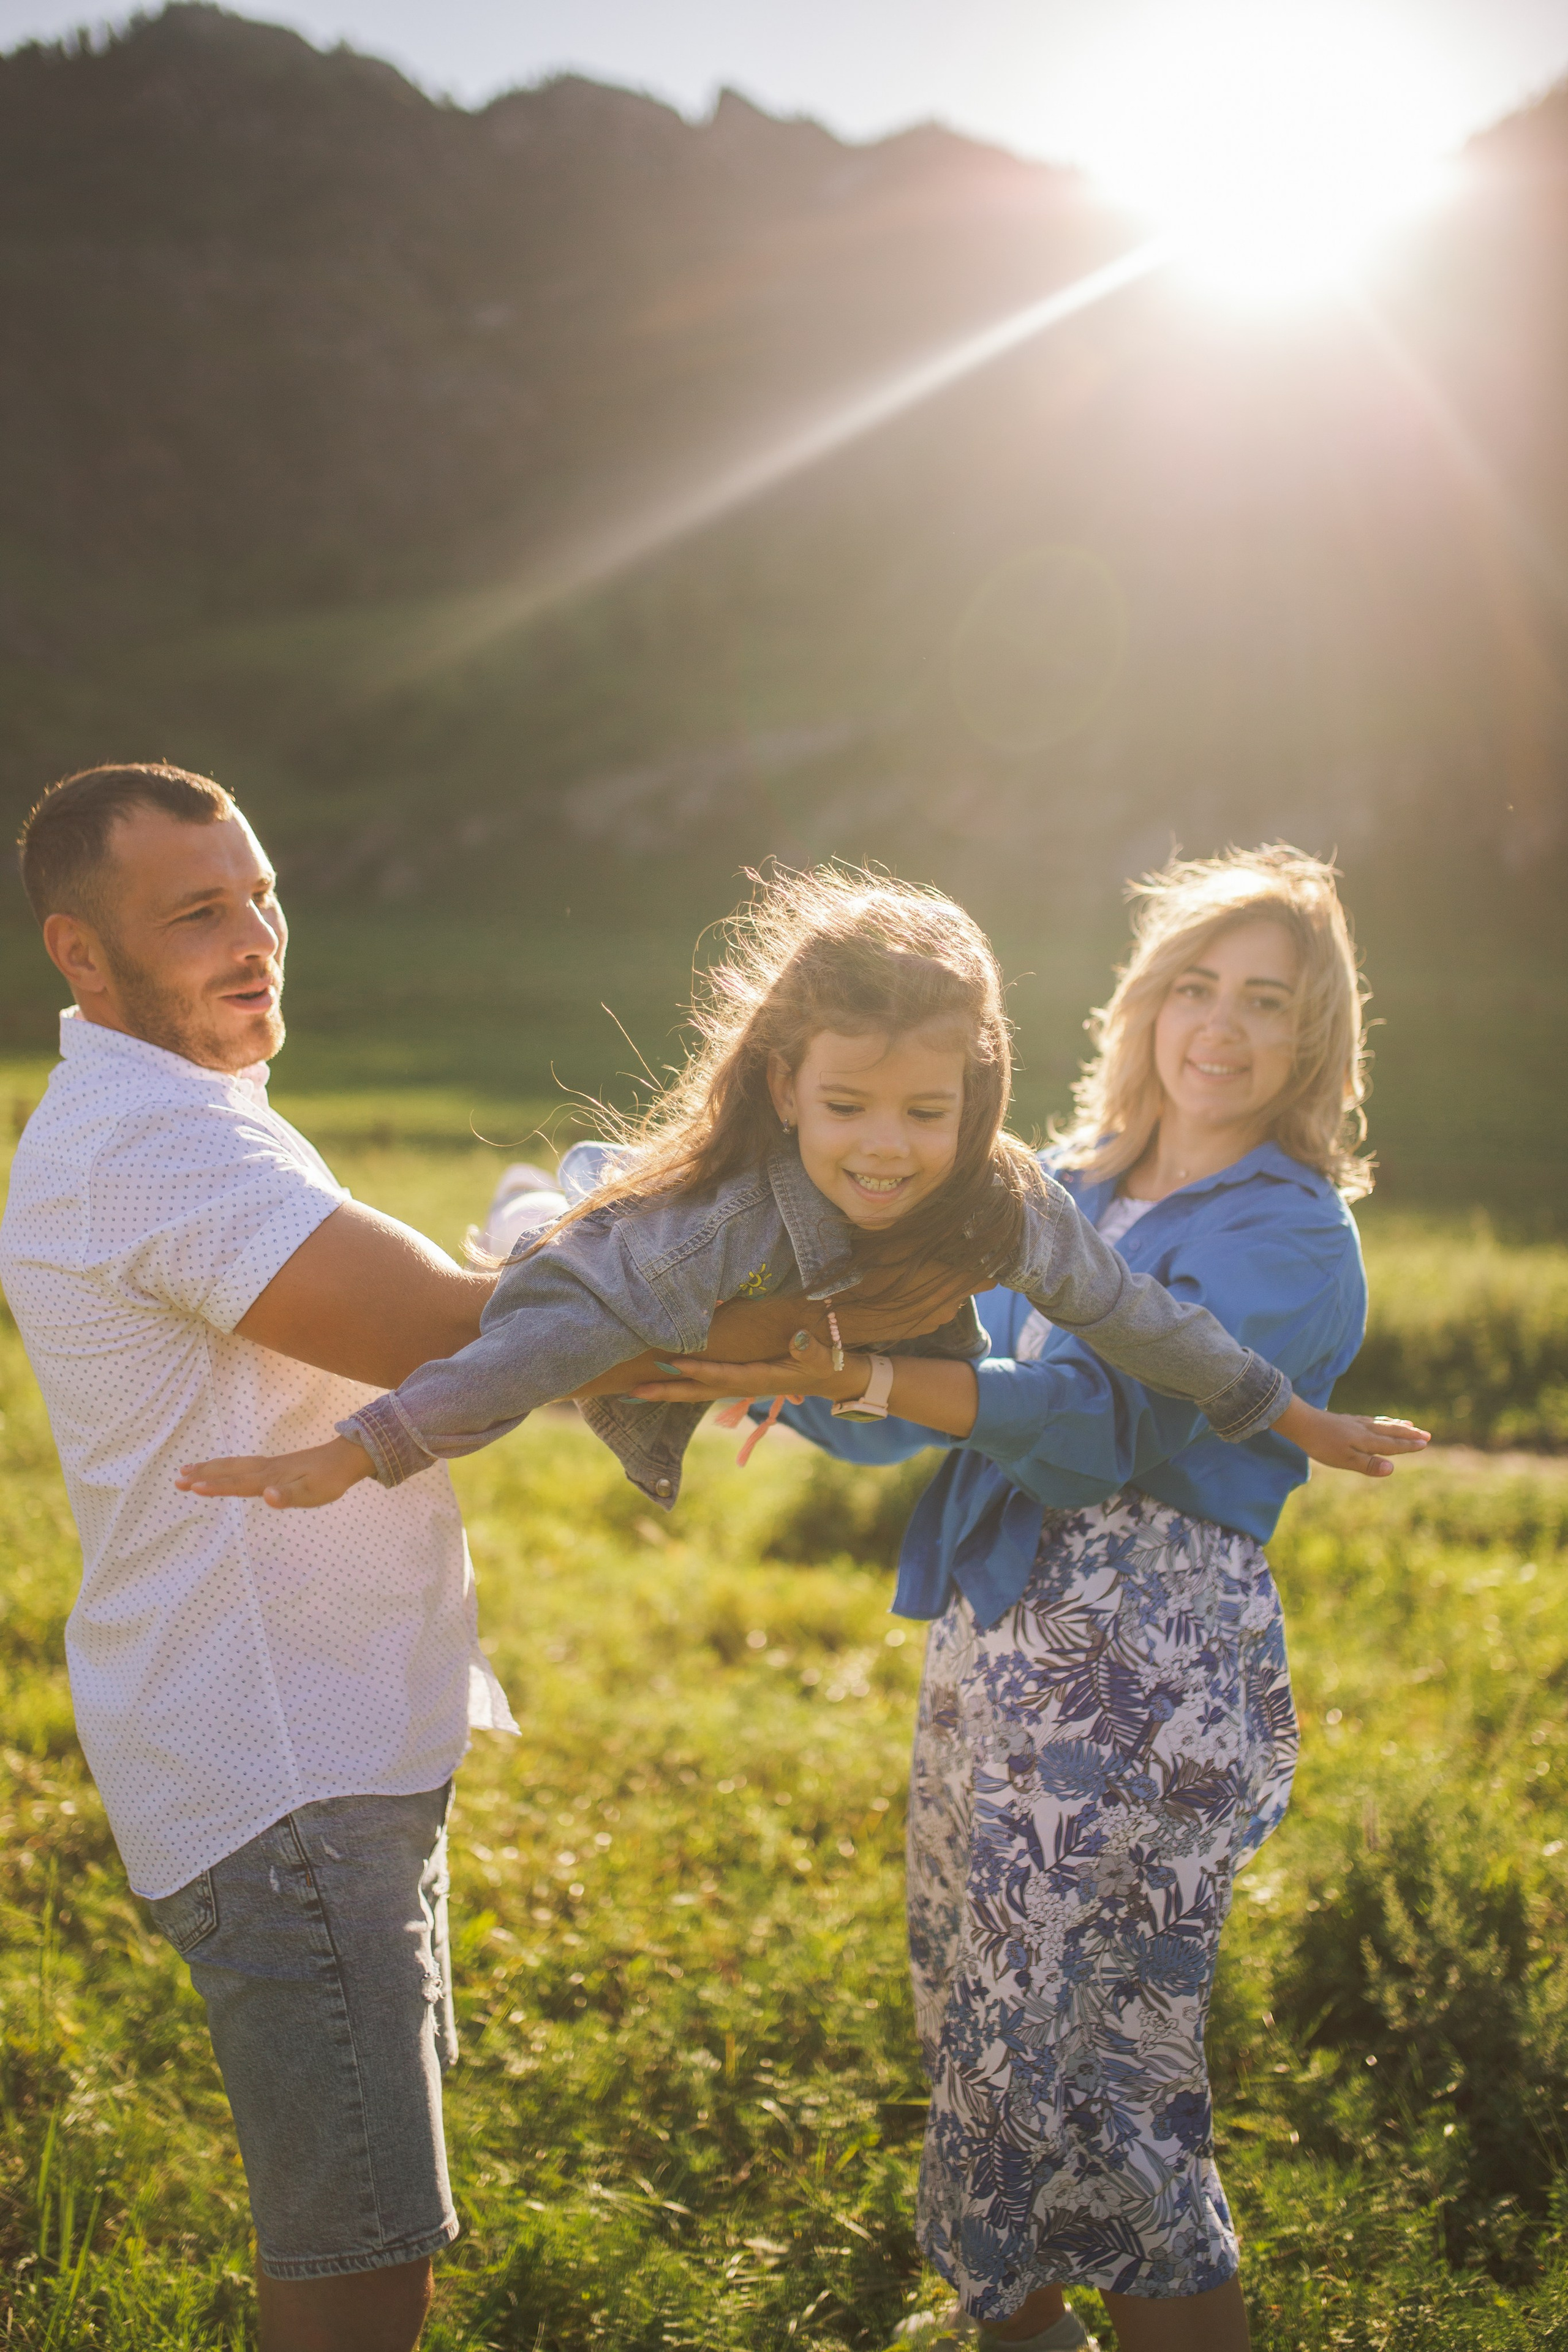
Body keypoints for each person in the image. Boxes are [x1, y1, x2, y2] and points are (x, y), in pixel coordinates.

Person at [624, 846, 1402, 2352]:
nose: (1220, 1030)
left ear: (1315, 1040)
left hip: (1144, 1660)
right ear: (1142, 1004)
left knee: (1112, 2088)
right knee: (986, 2040)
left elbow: (1104, 1423)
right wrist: (777, 1370)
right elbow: (944, 1390)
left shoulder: (1288, 1233)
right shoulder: (1066, 1188)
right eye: (1195, 987)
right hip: (1001, 1638)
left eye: (1265, 1002)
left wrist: (862, 1373)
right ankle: (1020, 2331)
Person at [0, 763, 521, 2352]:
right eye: (199, 913)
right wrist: (704, 1279)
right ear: (81, 955)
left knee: (373, 2249)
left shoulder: (197, 1107)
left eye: (265, 895)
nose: (257, 938)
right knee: (356, 2269)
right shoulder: (145, 1149)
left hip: (339, 1741)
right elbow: (440, 1328)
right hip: (282, 1765)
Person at [173, 864, 1421, 1520]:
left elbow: (1131, 1317)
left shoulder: (1006, 1197)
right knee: (544, 1278)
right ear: (783, 1087)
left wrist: (1288, 1416)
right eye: (847, 1108)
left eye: (926, 1113)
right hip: (654, 1261)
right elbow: (537, 1354)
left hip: (858, 1322)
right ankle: (534, 1206)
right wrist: (362, 1449)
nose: (886, 1148)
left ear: (979, 1090)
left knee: (837, 1384)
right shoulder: (718, 1221)